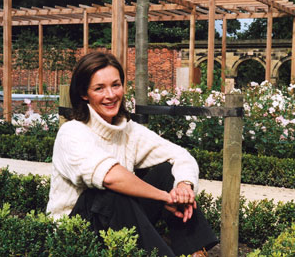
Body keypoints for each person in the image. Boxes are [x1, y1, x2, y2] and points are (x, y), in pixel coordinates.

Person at [46, 52, 218, 256]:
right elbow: (110, 177)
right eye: (99, 88)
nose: (110, 95)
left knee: (168, 172)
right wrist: (165, 197)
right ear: (84, 93)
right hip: (75, 232)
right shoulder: (72, 132)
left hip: (116, 219)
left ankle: (195, 253)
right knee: (111, 190)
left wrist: (183, 187)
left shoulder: (128, 131)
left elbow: (180, 155)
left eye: (116, 85)